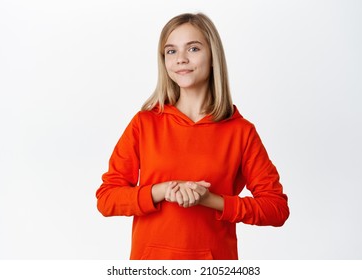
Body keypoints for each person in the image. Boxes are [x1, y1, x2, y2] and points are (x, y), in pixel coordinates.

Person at [96, 12, 289, 260]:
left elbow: (276, 209)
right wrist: (161, 191)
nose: (181, 59)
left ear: (212, 58)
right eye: (171, 51)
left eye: (193, 48)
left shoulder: (241, 131)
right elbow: (107, 198)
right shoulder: (144, 123)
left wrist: (212, 200)